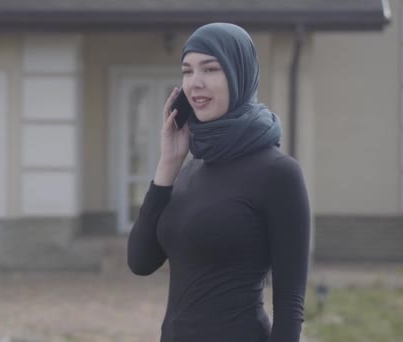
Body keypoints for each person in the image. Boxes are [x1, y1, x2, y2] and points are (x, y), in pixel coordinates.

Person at [127, 23, 310, 342]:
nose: (195, 83)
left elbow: (290, 305)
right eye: (187, 71)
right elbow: (140, 261)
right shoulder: (189, 169)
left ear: (239, 73)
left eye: (210, 68)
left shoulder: (279, 174)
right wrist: (168, 162)